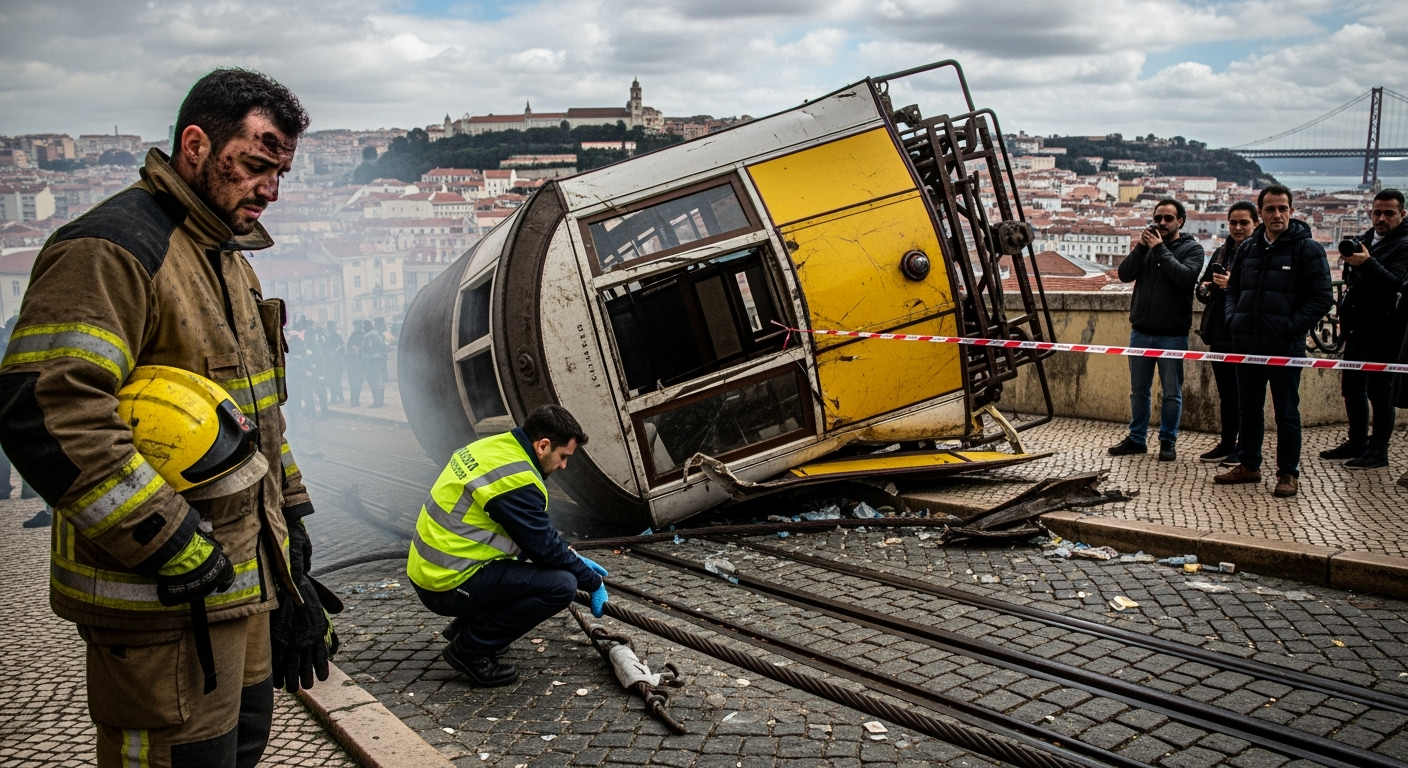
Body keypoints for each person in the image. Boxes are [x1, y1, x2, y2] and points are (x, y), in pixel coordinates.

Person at [0, 69, 337, 766]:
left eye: (279, 173)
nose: (269, 191)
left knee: (238, 748)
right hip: (158, 601)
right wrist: (168, 539)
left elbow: (259, 425)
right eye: (254, 165)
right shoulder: (113, 249)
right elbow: (48, 409)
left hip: (239, 590)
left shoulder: (230, 261)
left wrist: (292, 543)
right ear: (195, 146)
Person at [407, 404, 607, 688]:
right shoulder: (516, 480)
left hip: (433, 567)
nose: (564, 466)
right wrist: (592, 581)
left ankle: (466, 627)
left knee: (539, 571)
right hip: (445, 583)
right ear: (543, 445)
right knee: (561, 585)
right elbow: (544, 549)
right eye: (563, 457)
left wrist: (570, 556)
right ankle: (471, 649)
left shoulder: (494, 447)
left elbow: (528, 536)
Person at [1215, 185, 1334, 497]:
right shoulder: (1248, 249)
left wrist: (1290, 327)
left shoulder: (1308, 249)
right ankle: (1249, 464)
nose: (1277, 214)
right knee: (1248, 409)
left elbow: (1322, 297)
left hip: (1285, 346)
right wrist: (1233, 320)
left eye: (1283, 208)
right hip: (1247, 343)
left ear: (1291, 211)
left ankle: (1287, 473)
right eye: (1270, 209)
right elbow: (1234, 290)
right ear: (1261, 214)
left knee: (1287, 412)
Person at [1107, 198, 1206, 462]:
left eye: (1168, 218)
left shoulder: (1192, 249)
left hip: (1173, 334)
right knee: (1139, 391)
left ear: (1180, 222)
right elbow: (1125, 274)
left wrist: (1160, 249)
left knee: (1172, 392)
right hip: (1140, 331)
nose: (1162, 222)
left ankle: (1167, 441)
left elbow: (1184, 277)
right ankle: (1137, 439)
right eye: (1158, 217)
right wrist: (1141, 247)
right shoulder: (1147, 248)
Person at [1320, 189, 1408, 469]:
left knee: (1380, 395)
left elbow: (1397, 283)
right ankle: (1357, 441)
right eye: (1377, 212)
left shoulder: (1405, 245)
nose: (1381, 218)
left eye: (1389, 213)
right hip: (1356, 330)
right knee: (1352, 389)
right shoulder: (1366, 238)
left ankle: (1378, 451)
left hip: (1385, 331)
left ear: (1402, 214)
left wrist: (1368, 263)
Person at [1195, 201, 1259, 464]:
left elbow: (1260, 291)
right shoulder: (1221, 252)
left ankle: (1245, 447)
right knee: (1227, 394)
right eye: (1233, 222)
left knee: (1246, 396)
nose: (1237, 227)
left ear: (1255, 224)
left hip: (1245, 334)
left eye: (1244, 222)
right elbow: (1205, 286)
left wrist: (1232, 284)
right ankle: (1227, 441)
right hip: (1220, 331)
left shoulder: (1258, 253)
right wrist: (1205, 288)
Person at [362, 321, 388, 408]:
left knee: (373, 382)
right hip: (379, 363)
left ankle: (377, 402)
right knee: (380, 382)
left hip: (371, 363)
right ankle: (381, 401)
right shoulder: (379, 336)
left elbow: (365, 351)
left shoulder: (367, 338)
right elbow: (384, 350)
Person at [345, 320, 365, 407]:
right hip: (354, 361)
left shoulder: (359, 334)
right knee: (355, 382)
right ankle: (354, 399)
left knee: (355, 382)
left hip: (356, 361)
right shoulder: (358, 334)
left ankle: (354, 399)